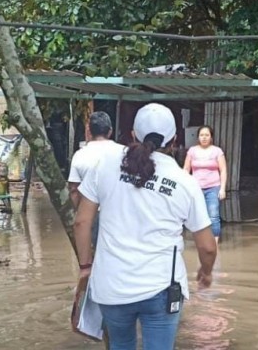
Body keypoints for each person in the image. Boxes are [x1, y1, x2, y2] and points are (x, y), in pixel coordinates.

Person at [73, 103, 217, 350]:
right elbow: (208, 247)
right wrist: (206, 272)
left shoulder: (105, 165)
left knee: (120, 345)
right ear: (174, 139)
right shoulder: (184, 182)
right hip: (161, 289)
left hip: (111, 286)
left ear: (132, 135)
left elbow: (81, 222)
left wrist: (86, 267)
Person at [68, 111, 123, 209]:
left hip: (88, 212)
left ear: (89, 131)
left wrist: (79, 214)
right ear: (110, 131)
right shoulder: (124, 152)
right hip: (116, 212)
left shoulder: (79, 155)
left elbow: (74, 190)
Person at [182, 126, 227, 243]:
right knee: (198, 216)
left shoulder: (217, 151)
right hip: (196, 188)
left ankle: (215, 243)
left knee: (213, 215)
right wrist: (185, 187)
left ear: (211, 137)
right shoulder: (192, 151)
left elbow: (223, 170)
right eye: (202, 135)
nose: (204, 137)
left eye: (207, 135)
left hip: (213, 187)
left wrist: (222, 189)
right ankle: (202, 242)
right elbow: (186, 169)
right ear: (198, 137)